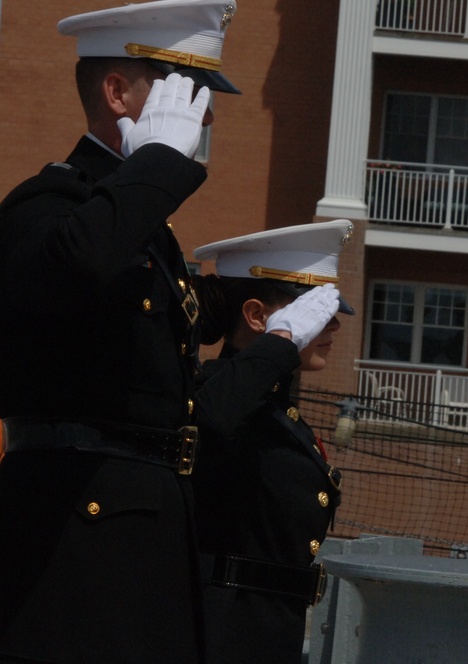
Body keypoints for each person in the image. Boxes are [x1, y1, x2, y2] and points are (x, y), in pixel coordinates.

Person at [0, 2, 240, 662]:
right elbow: (74, 267)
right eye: (185, 90)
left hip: (141, 534)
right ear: (117, 91)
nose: (204, 115)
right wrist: (155, 164)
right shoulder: (48, 205)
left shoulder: (136, 223)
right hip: (68, 543)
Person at [189, 220, 352, 663]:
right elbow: (214, 420)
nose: (333, 324)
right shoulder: (220, 397)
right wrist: (281, 342)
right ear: (258, 316)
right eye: (313, 312)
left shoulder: (280, 413)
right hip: (220, 632)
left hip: (266, 632)